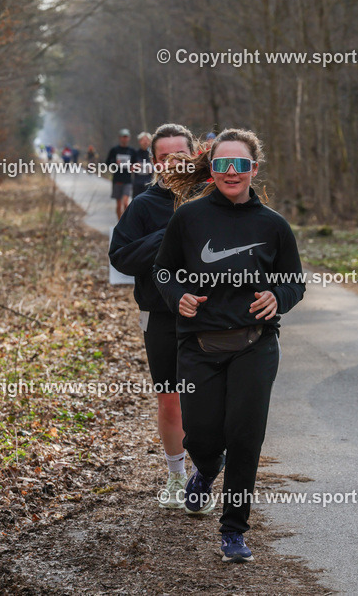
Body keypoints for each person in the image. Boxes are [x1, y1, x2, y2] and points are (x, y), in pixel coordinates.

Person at [153, 128, 305, 563]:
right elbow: (164, 271)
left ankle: (234, 531)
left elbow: (294, 282)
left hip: (255, 345)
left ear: (253, 169)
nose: (232, 172)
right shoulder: (188, 218)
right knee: (202, 436)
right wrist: (177, 295)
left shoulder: (273, 225)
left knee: (244, 437)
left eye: (240, 165)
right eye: (223, 164)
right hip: (198, 345)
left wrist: (278, 296)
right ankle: (205, 468)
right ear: (212, 169)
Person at [108, 124, 197, 510]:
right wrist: (168, 235)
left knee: (211, 399)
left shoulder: (216, 197)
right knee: (171, 401)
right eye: (165, 157)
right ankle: (177, 475)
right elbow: (120, 258)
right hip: (161, 316)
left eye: (182, 155)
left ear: (195, 156)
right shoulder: (144, 206)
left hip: (214, 316)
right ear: (154, 162)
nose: (174, 163)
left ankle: (204, 474)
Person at [105, 129, 134, 218]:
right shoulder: (114, 150)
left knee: (125, 203)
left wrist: (133, 167)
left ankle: (126, 222)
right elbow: (107, 163)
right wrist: (115, 162)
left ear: (129, 138)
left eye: (126, 137)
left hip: (127, 180)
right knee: (118, 205)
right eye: (123, 137)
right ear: (120, 138)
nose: (124, 139)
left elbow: (136, 163)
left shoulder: (132, 151)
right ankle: (119, 222)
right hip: (117, 179)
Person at [132, 132, 153, 198]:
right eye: (143, 140)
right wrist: (135, 166)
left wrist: (152, 168)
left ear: (150, 142)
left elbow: (157, 168)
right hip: (137, 183)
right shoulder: (135, 153)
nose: (145, 142)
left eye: (147, 140)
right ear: (139, 141)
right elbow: (130, 168)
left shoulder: (152, 154)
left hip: (148, 182)